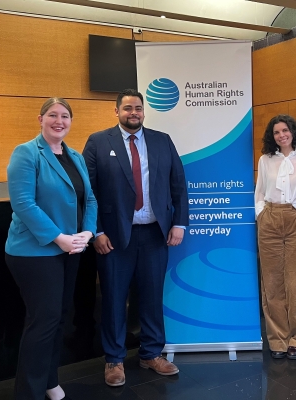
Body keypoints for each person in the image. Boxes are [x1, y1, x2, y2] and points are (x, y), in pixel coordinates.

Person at [83, 88, 188, 387]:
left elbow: (178, 184)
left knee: (153, 297)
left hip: (155, 234)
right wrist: (97, 232)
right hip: (113, 238)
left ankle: (152, 353)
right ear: (116, 111)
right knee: (114, 298)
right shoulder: (98, 142)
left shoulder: (162, 140)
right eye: (127, 108)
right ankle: (114, 360)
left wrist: (179, 223)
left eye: (138, 108)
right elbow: (88, 193)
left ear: (144, 111)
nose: (134, 113)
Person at [5, 97, 97, 400]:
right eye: (53, 115)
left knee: (59, 317)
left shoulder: (75, 156)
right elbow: (23, 204)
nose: (60, 121)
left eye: (65, 116)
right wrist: (59, 237)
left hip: (69, 249)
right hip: (34, 252)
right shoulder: (27, 153)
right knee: (42, 322)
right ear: (40, 119)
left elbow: (91, 200)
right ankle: (28, 392)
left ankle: (48, 379)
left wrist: (87, 231)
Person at [255, 114, 296, 360]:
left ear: (293, 132)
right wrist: (261, 214)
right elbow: (259, 192)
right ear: (272, 137)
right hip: (270, 219)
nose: (281, 135)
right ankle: (278, 339)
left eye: (285, 130)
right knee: (272, 283)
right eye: (276, 132)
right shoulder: (265, 160)